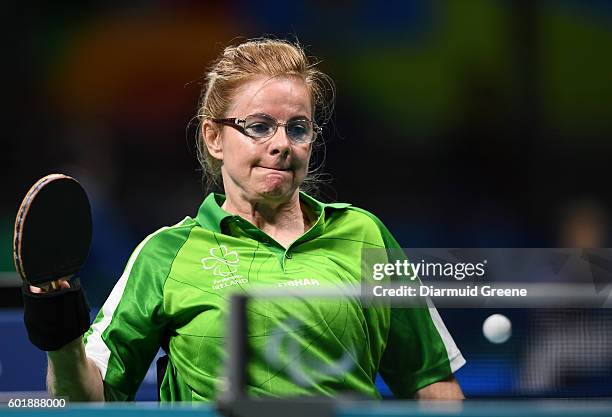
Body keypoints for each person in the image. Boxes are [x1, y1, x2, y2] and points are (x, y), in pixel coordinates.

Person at [28, 38, 465, 401]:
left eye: (298, 128)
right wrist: (61, 335)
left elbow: (432, 384)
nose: (281, 144)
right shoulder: (165, 254)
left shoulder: (365, 235)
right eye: (259, 126)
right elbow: (85, 400)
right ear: (214, 136)